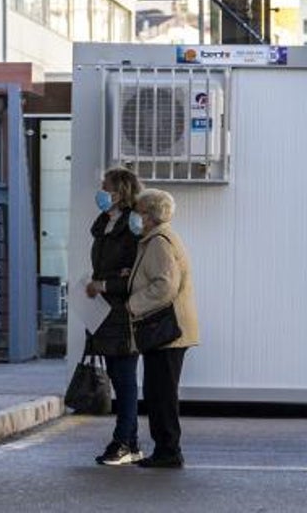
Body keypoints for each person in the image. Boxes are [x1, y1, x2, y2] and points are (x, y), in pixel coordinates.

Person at [127, 188, 198, 469]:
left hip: (168, 329)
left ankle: (169, 450)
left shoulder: (159, 241)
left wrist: (133, 303)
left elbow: (165, 285)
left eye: (139, 211)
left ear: (149, 215)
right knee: (159, 391)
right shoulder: (157, 238)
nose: (135, 217)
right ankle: (165, 448)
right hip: (168, 328)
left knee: (162, 393)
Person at [84, 167, 144, 466]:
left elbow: (137, 273)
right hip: (104, 312)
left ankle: (121, 442)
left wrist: (107, 283)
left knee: (125, 379)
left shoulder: (133, 224)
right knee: (120, 380)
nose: (102, 191)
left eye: (105, 186)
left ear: (119, 191)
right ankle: (131, 444)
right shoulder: (106, 223)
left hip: (122, 312)